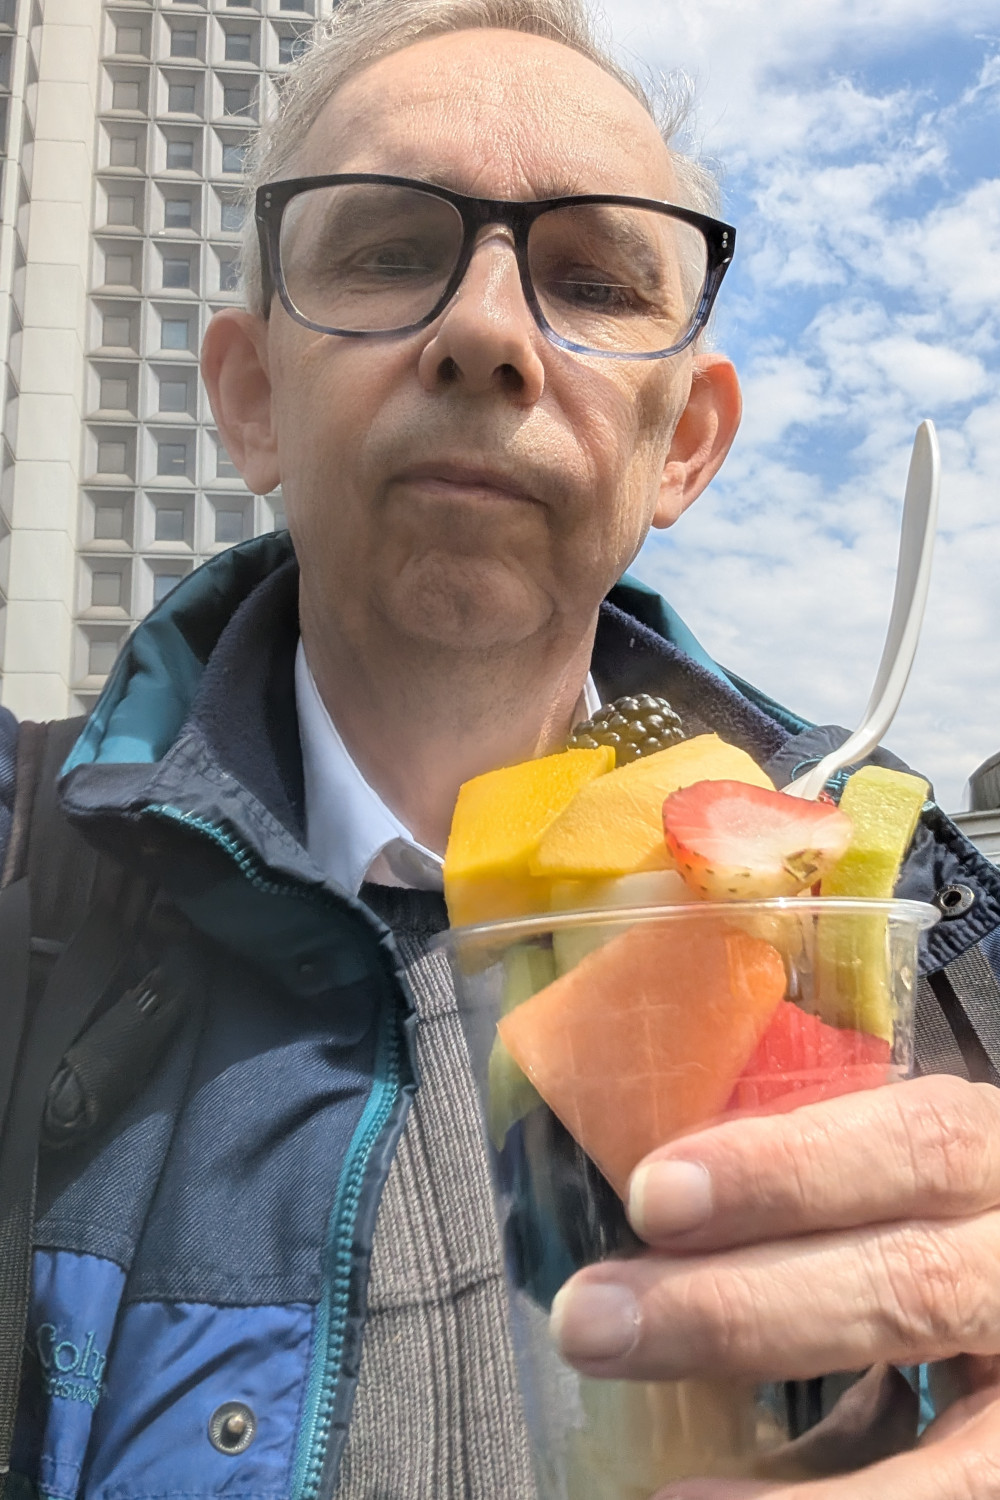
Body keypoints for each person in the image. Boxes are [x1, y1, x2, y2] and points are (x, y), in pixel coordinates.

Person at [2, 2, 1000, 1497]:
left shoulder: (926, 928)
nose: (484, 332)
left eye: (592, 280)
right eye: (390, 251)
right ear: (253, 399)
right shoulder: (28, 869)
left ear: (685, 444)